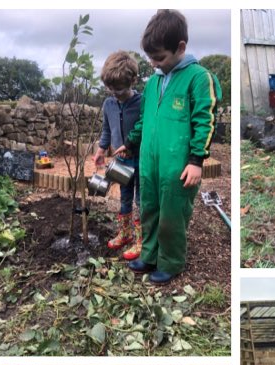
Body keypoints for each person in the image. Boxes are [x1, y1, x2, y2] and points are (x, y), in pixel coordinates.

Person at [126, 9, 221, 285]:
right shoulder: (154, 81)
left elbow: (206, 121)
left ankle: (171, 261)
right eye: (151, 58)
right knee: (149, 207)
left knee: (172, 213)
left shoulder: (198, 78)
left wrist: (196, 160)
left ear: (180, 47)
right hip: (149, 160)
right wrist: (131, 142)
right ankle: (150, 254)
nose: (154, 64)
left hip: (178, 165)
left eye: (159, 57)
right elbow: (146, 119)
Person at [94, 50, 143, 260]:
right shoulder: (109, 104)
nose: (114, 93)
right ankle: (124, 233)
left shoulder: (142, 103)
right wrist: (101, 149)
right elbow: (106, 129)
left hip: (141, 160)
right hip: (121, 160)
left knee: (141, 200)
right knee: (124, 197)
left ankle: (142, 240)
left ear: (133, 80)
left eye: (119, 89)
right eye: (110, 88)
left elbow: (145, 129)